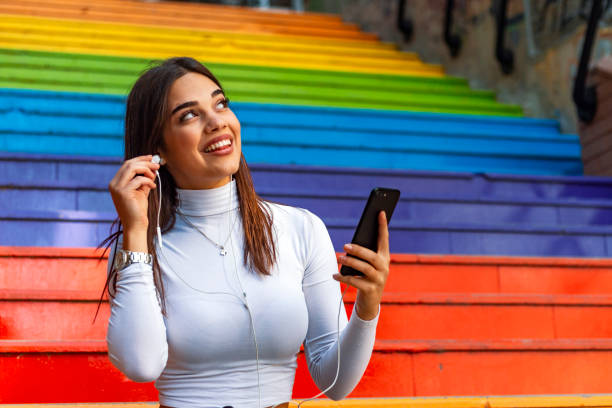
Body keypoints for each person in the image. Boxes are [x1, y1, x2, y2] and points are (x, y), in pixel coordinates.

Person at [99, 56, 391, 408]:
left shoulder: (300, 228)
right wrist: (136, 229)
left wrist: (367, 306)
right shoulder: (140, 248)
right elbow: (140, 365)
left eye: (220, 104)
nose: (216, 122)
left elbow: (335, 384)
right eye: (189, 115)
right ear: (157, 149)